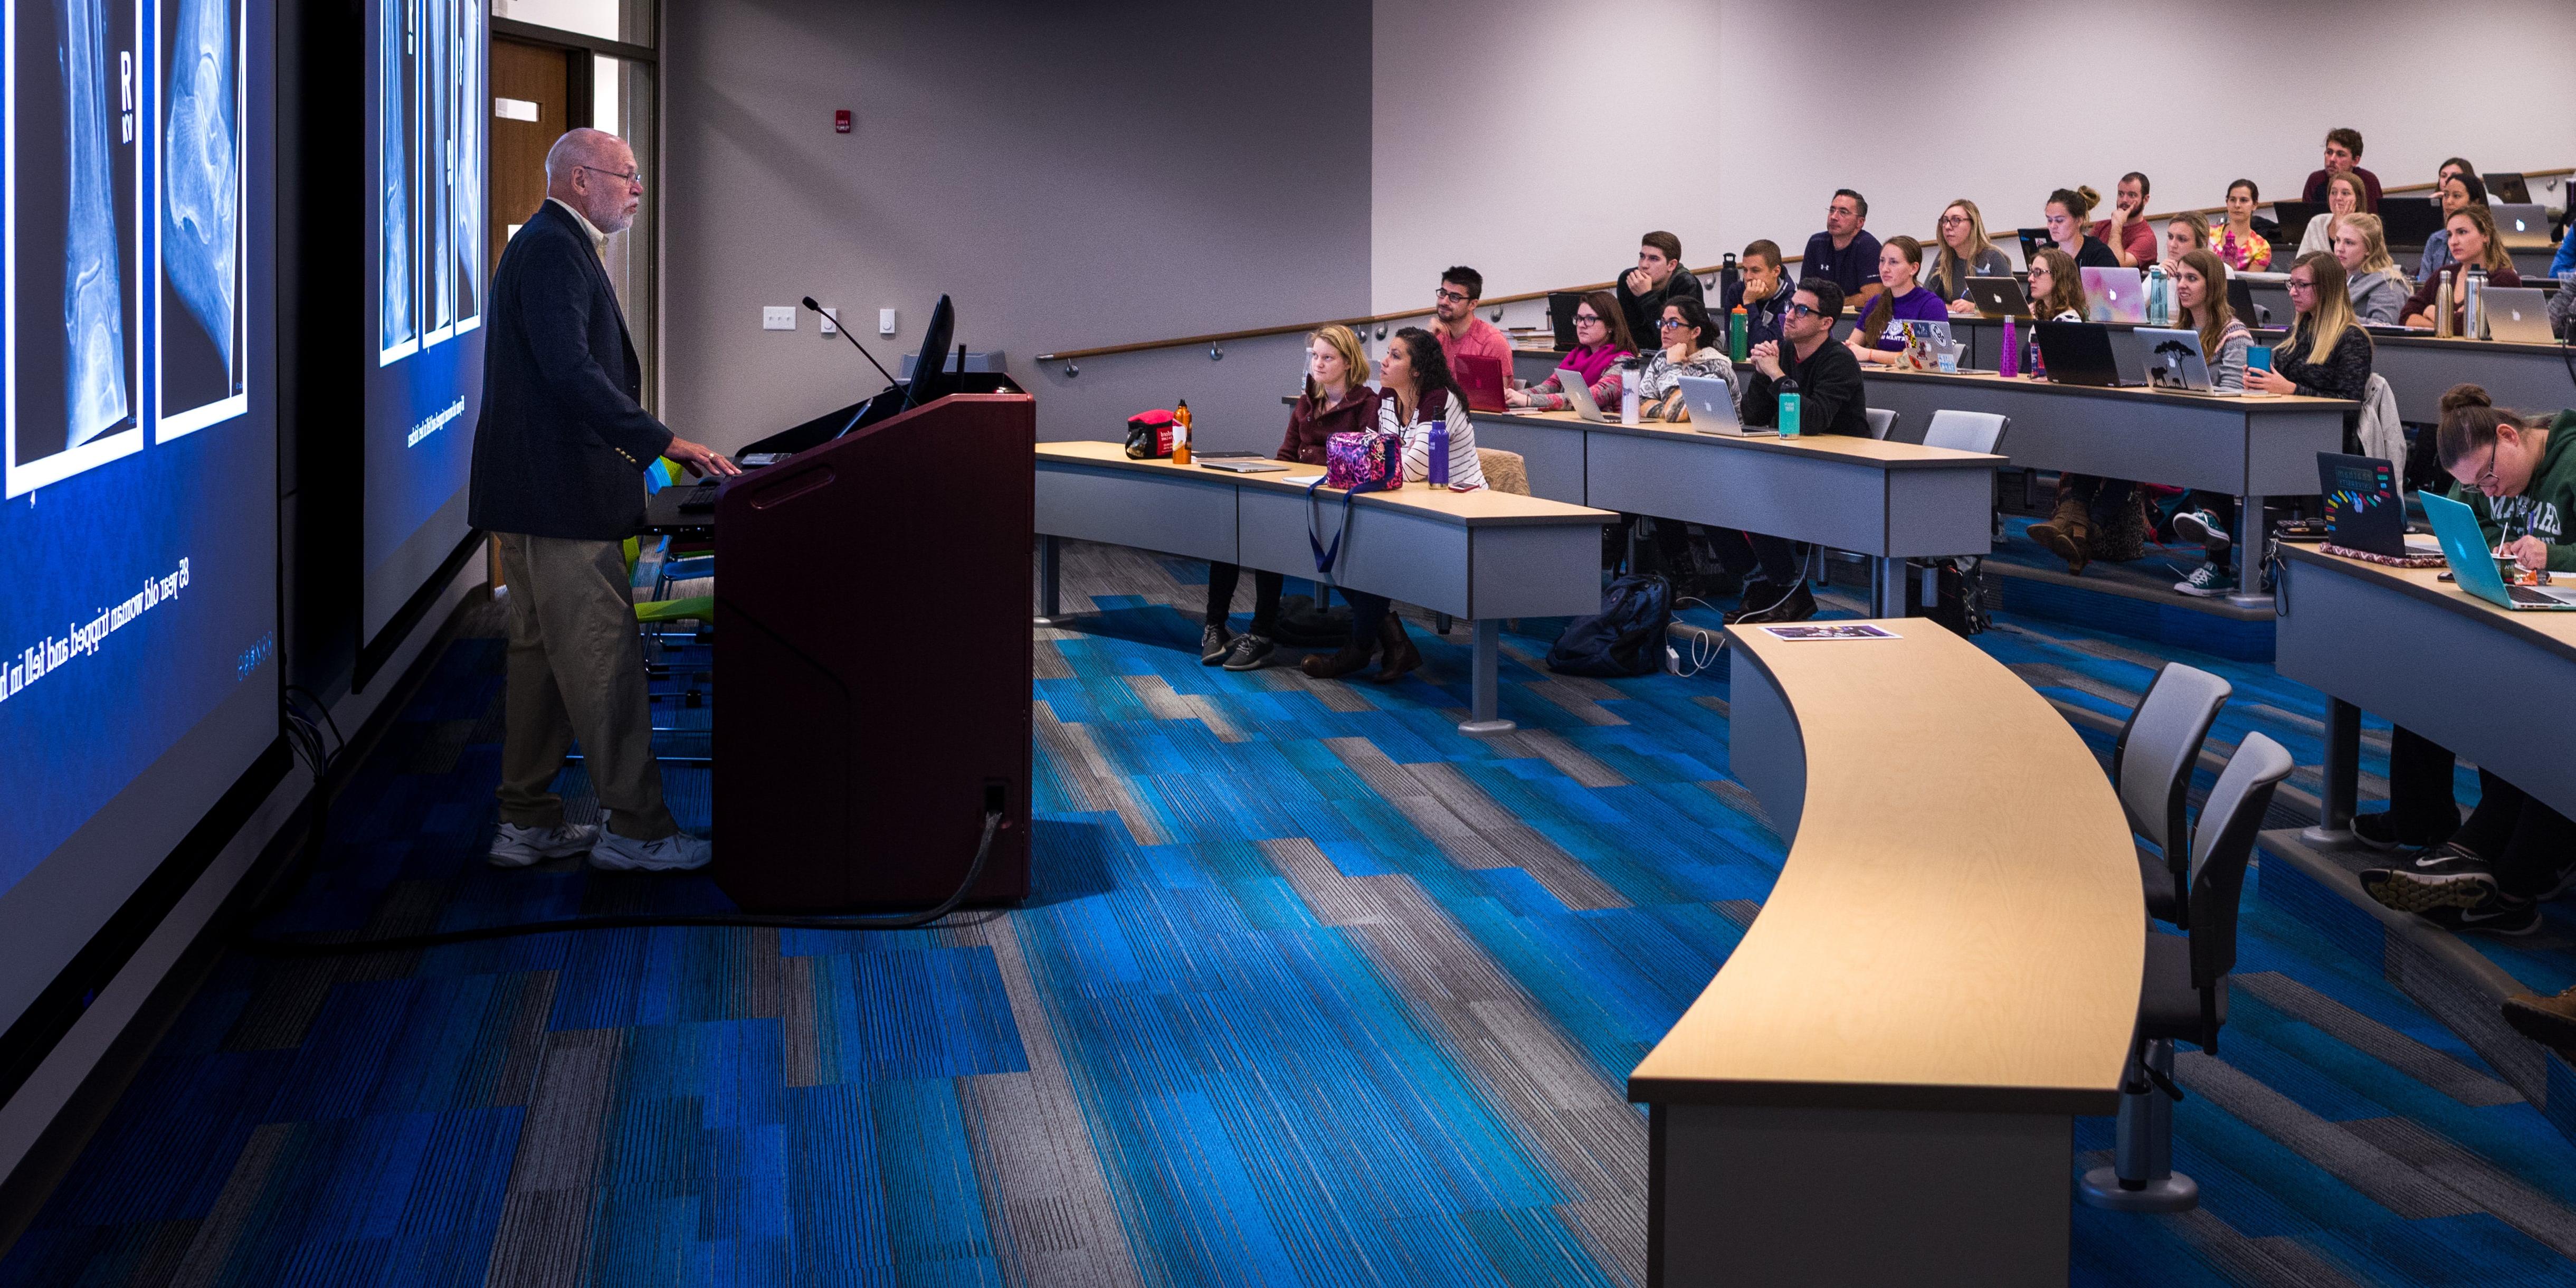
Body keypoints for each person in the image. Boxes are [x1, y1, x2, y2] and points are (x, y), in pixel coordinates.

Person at [469, 128, 739, 874]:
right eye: (627, 176)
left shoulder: (552, 243)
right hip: (559, 502)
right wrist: (663, 442)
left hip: (529, 497)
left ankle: (525, 821)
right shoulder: (556, 248)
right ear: (582, 179)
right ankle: (638, 831)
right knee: (600, 661)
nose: (638, 188)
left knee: (541, 662)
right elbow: (572, 373)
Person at [2354, 386, 2576, 936]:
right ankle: (2450, 845)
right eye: (2477, 484)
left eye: (2490, 478)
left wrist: (2559, 555)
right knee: (2431, 672)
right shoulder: (2485, 470)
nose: (2488, 490)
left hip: (2556, 637)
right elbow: (2463, 523)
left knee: (2536, 718)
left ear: (2509, 435)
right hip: (2523, 624)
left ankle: (2495, 869)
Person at [2174, 253, 2374, 595]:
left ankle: (2217, 541)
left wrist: (2291, 389)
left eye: (2301, 285)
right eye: (2290, 284)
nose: (2292, 292)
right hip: (2284, 435)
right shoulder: (2299, 333)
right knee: (2215, 440)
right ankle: (2217, 549)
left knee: (2226, 445)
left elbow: (2350, 401)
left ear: (2325, 288)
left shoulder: (2350, 338)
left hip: (2325, 443)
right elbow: (2270, 376)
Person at [2031, 250, 2239, 576]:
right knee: (2109, 435)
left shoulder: (2234, 334)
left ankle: (2080, 526)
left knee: (2124, 439)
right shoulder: (2175, 329)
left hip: (2209, 431)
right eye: (2180, 278)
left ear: (2213, 285)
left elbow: (2236, 394)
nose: (2181, 285)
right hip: (2173, 423)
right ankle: (2080, 524)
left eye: (2192, 279)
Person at [1304, 328, 1484, 681]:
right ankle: (1389, 644)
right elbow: (1366, 454)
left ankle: (1365, 649)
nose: (1383, 362)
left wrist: (1379, 460)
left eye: (1396, 356)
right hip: (1402, 500)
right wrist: (1378, 460)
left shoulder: (1439, 398)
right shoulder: (1386, 396)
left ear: (1416, 370)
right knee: (1344, 547)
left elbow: (1414, 466)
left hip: (1458, 509)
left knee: (1366, 549)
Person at [1202, 325, 1379, 672]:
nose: (1318, 364)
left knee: (1270, 541)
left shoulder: (1366, 404)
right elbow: (1285, 454)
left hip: (1335, 505)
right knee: (1232, 531)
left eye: (1327, 358)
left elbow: (1360, 461)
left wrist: (1310, 459)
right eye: (1314, 356)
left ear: (1348, 362)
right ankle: (1214, 625)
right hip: (1297, 493)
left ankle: (1261, 634)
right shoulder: (1306, 401)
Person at [1717, 278, 1866, 625]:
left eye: (1802, 310)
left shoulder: (1838, 361)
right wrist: (1762, 373)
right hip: (1793, 463)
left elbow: (1812, 421)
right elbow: (1752, 417)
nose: (1790, 315)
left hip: (1841, 471)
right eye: (1791, 307)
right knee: (1711, 494)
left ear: (1825, 322)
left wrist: (1776, 375)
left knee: (1754, 493)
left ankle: (1789, 591)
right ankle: (1759, 584)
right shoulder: (1781, 352)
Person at [1507, 291, 1634, 412]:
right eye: (1579, 318)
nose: (1581, 325)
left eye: (1590, 319)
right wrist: (1512, 396)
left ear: (1610, 325)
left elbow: (1585, 399)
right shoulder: (1577, 355)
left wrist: (1529, 401)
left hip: (1609, 432)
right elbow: (1550, 386)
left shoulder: (1624, 363)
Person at [2402, 204, 2521, 332]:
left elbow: (2478, 327)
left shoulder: (2504, 279)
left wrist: (2431, 312)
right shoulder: (2443, 274)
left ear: (2485, 235)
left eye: (2462, 232)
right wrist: (2451, 319)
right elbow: (2406, 317)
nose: (2453, 241)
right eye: (2449, 235)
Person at [1845, 237, 1948, 365]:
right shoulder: (1876, 303)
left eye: (1893, 262)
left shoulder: (1928, 305)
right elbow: (1851, 348)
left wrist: (1870, 354)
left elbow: (1925, 359)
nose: (1885, 269)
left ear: (1913, 269)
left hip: (1910, 381)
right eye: (1882, 261)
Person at [1635, 297, 1740, 419]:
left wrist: (1673, 366)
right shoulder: (1663, 357)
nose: (1664, 329)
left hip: (1716, 437)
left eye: (1673, 324)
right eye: (1663, 323)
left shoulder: (1716, 368)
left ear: (1695, 332)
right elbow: (1638, 403)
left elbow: (1677, 414)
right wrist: (1668, 410)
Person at [1614, 231, 1705, 354]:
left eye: (1654, 259)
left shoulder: (1686, 283)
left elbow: (1675, 337)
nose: (1644, 265)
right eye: (1642, 257)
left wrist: (1646, 297)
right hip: (1638, 354)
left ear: (1672, 265)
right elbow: (1630, 331)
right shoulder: (1629, 280)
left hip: (1680, 355)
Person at [1428, 265, 1514, 391]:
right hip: (1439, 408)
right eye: (1442, 293)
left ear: (1472, 305)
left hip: (1471, 410)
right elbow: (1415, 386)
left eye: (1455, 297)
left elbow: (1496, 399)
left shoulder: (1492, 342)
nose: (1444, 302)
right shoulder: (1436, 336)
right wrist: (1426, 340)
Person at [1923, 199, 2012, 312]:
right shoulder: (1944, 257)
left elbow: (2009, 307)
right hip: (1952, 327)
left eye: (1956, 220)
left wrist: (1975, 309)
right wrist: (1954, 309)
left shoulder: (1994, 258)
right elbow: (1926, 301)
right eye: (1945, 221)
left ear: (1973, 225)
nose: (1947, 227)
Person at [1800, 190, 1882, 302]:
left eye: (1843, 212)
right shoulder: (1816, 243)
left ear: (1860, 222)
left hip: (1856, 318)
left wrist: (1830, 305)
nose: (1834, 217)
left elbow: (1872, 298)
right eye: (1832, 210)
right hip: (1820, 316)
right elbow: (1804, 293)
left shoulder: (1868, 246)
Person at [2334, 214, 2412, 324]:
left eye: (2349, 243)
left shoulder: (2387, 283)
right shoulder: (2336, 279)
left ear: (2369, 249)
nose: (2339, 249)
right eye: (2337, 240)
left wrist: (2334, 319)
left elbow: (2384, 327)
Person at [2413, 170, 2487, 285]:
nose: (2449, 201)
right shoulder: (2436, 240)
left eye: (2457, 196)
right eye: (2446, 195)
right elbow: (2424, 287)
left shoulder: (2485, 237)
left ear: (2475, 203)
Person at [1719, 240, 1794, 347]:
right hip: (1739, 363)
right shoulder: (1736, 292)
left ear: (1776, 272)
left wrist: (1749, 303)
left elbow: (1765, 348)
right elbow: (1735, 345)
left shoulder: (1790, 301)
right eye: (1745, 270)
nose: (1748, 277)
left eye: (1755, 271)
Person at [2299, 127, 2383, 210]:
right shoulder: (2316, 180)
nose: (2332, 159)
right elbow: (2306, 220)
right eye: (2329, 152)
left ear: (2355, 161)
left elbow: (2375, 221)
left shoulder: (2368, 181)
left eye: (2340, 155)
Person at [2091, 172, 2159, 268]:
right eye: (2121, 194)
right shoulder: (2101, 227)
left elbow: (2115, 266)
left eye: (2132, 195)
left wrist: (2117, 225)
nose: (2124, 200)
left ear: (2146, 199)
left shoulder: (2147, 238)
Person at [2043, 187, 2121, 268]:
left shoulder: (2100, 255)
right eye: (2049, 220)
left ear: (2079, 221)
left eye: (2059, 220)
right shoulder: (2044, 253)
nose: (2052, 226)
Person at [2295, 170, 2367, 257]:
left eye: (2345, 193)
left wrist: (2341, 226)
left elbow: (2347, 267)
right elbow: (2300, 262)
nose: (2338, 198)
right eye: (2333, 193)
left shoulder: (2367, 228)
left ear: (2358, 199)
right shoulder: (2317, 222)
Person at [2212, 179, 2273, 271]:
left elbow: (2249, 284)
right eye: (2232, 200)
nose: (2237, 205)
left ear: (2255, 205)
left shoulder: (2261, 247)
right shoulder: (2208, 233)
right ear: (2227, 202)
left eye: (2244, 200)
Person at [2024, 247, 2086, 323]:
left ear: (2058, 277)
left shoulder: (2068, 321)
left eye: (2038, 272)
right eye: (2031, 272)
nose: (2030, 279)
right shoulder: (2044, 316)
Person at [2157, 212, 2211, 276]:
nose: (2172, 245)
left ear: (2202, 243)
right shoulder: (2161, 270)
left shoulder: (2217, 271)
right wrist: (2158, 276)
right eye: (2170, 237)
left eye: (2182, 239)